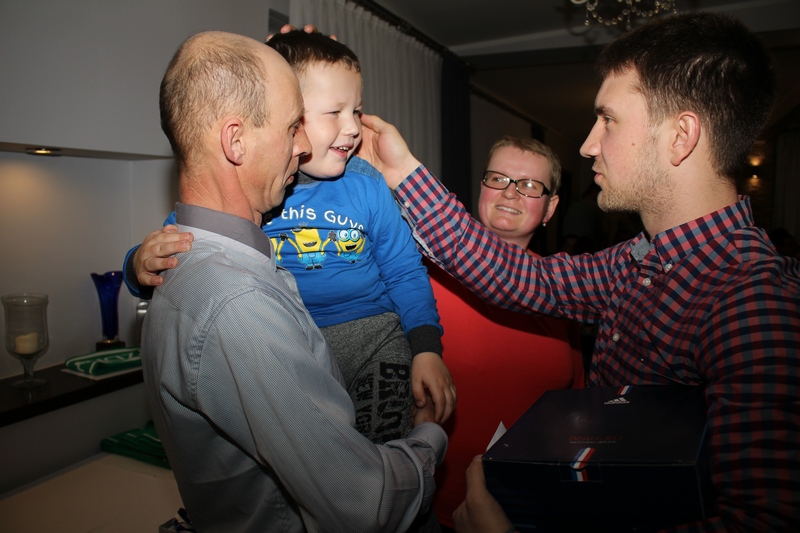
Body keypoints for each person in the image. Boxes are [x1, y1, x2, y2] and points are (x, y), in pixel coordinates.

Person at [355, 12, 800, 532]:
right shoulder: (636, 261)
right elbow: (520, 277)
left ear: (681, 136)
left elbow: (764, 520)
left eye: (608, 119)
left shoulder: (754, 299)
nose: (588, 144)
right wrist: (399, 168)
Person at [141, 30, 446, 532]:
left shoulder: (213, 260)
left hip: (376, 341)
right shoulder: (237, 302)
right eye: (293, 124)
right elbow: (362, 499)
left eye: (353, 111)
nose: (303, 145)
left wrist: (425, 347)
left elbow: (404, 268)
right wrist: (430, 436)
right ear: (236, 140)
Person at [430, 136, 584, 533]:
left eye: (529, 185)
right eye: (498, 178)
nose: (510, 193)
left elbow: (577, 404)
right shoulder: (423, 276)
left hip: (538, 509)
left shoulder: (566, 292)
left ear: (550, 208)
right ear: (482, 189)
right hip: (431, 507)